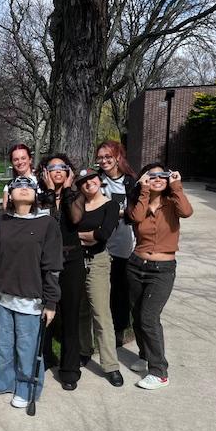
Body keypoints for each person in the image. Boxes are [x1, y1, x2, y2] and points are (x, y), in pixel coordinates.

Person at [0, 176, 62, 408]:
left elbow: (52, 267)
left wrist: (51, 302)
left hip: (32, 300)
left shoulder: (47, 224)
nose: (23, 189)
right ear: (10, 194)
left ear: (36, 194)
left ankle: (27, 386)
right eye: (18, 187)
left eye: (29, 187)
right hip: (4, 297)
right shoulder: (0, 223)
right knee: (3, 345)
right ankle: (3, 381)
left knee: (27, 348)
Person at [127, 164, 193, 390]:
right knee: (136, 314)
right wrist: (144, 191)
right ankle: (144, 355)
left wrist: (177, 186)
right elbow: (135, 217)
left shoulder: (173, 202)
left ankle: (159, 371)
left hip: (162, 270)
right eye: (151, 175)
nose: (157, 179)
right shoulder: (140, 201)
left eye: (162, 175)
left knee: (148, 317)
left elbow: (187, 211)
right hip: (136, 265)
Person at [37, 154, 85, 390]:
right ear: (45, 172)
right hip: (45, 262)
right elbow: (47, 224)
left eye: (62, 167)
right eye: (52, 168)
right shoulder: (39, 196)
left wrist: (66, 191)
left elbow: (75, 219)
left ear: (69, 172)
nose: (57, 171)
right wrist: (48, 193)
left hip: (72, 260)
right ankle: (43, 359)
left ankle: (70, 370)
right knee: (44, 314)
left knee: (70, 315)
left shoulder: (75, 195)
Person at [74, 168, 124, 386]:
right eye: (83, 181)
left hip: (97, 262)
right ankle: (85, 350)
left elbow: (103, 235)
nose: (88, 184)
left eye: (91, 179)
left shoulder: (110, 205)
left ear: (99, 180)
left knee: (101, 314)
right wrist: (87, 236)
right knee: (81, 311)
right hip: (76, 261)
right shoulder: (78, 205)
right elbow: (68, 231)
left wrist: (80, 236)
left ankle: (110, 365)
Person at [96, 141, 136, 347]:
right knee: (102, 290)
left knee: (120, 291)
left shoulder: (130, 182)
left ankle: (119, 329)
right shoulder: (97, 180)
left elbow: (136, 213)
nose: (103, 161)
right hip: (102, 243)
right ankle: (102, 329)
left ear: (118, 156)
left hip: (123, 244)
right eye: (100, 157)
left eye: (108, 156)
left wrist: (116, 213)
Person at [2, 144, 37, 211]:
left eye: (23, 158)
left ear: (30, 160)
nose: (20, 162)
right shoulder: (9, 186)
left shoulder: (41, 180)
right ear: (12, 163)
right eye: (16, 160)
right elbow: (6, 210)